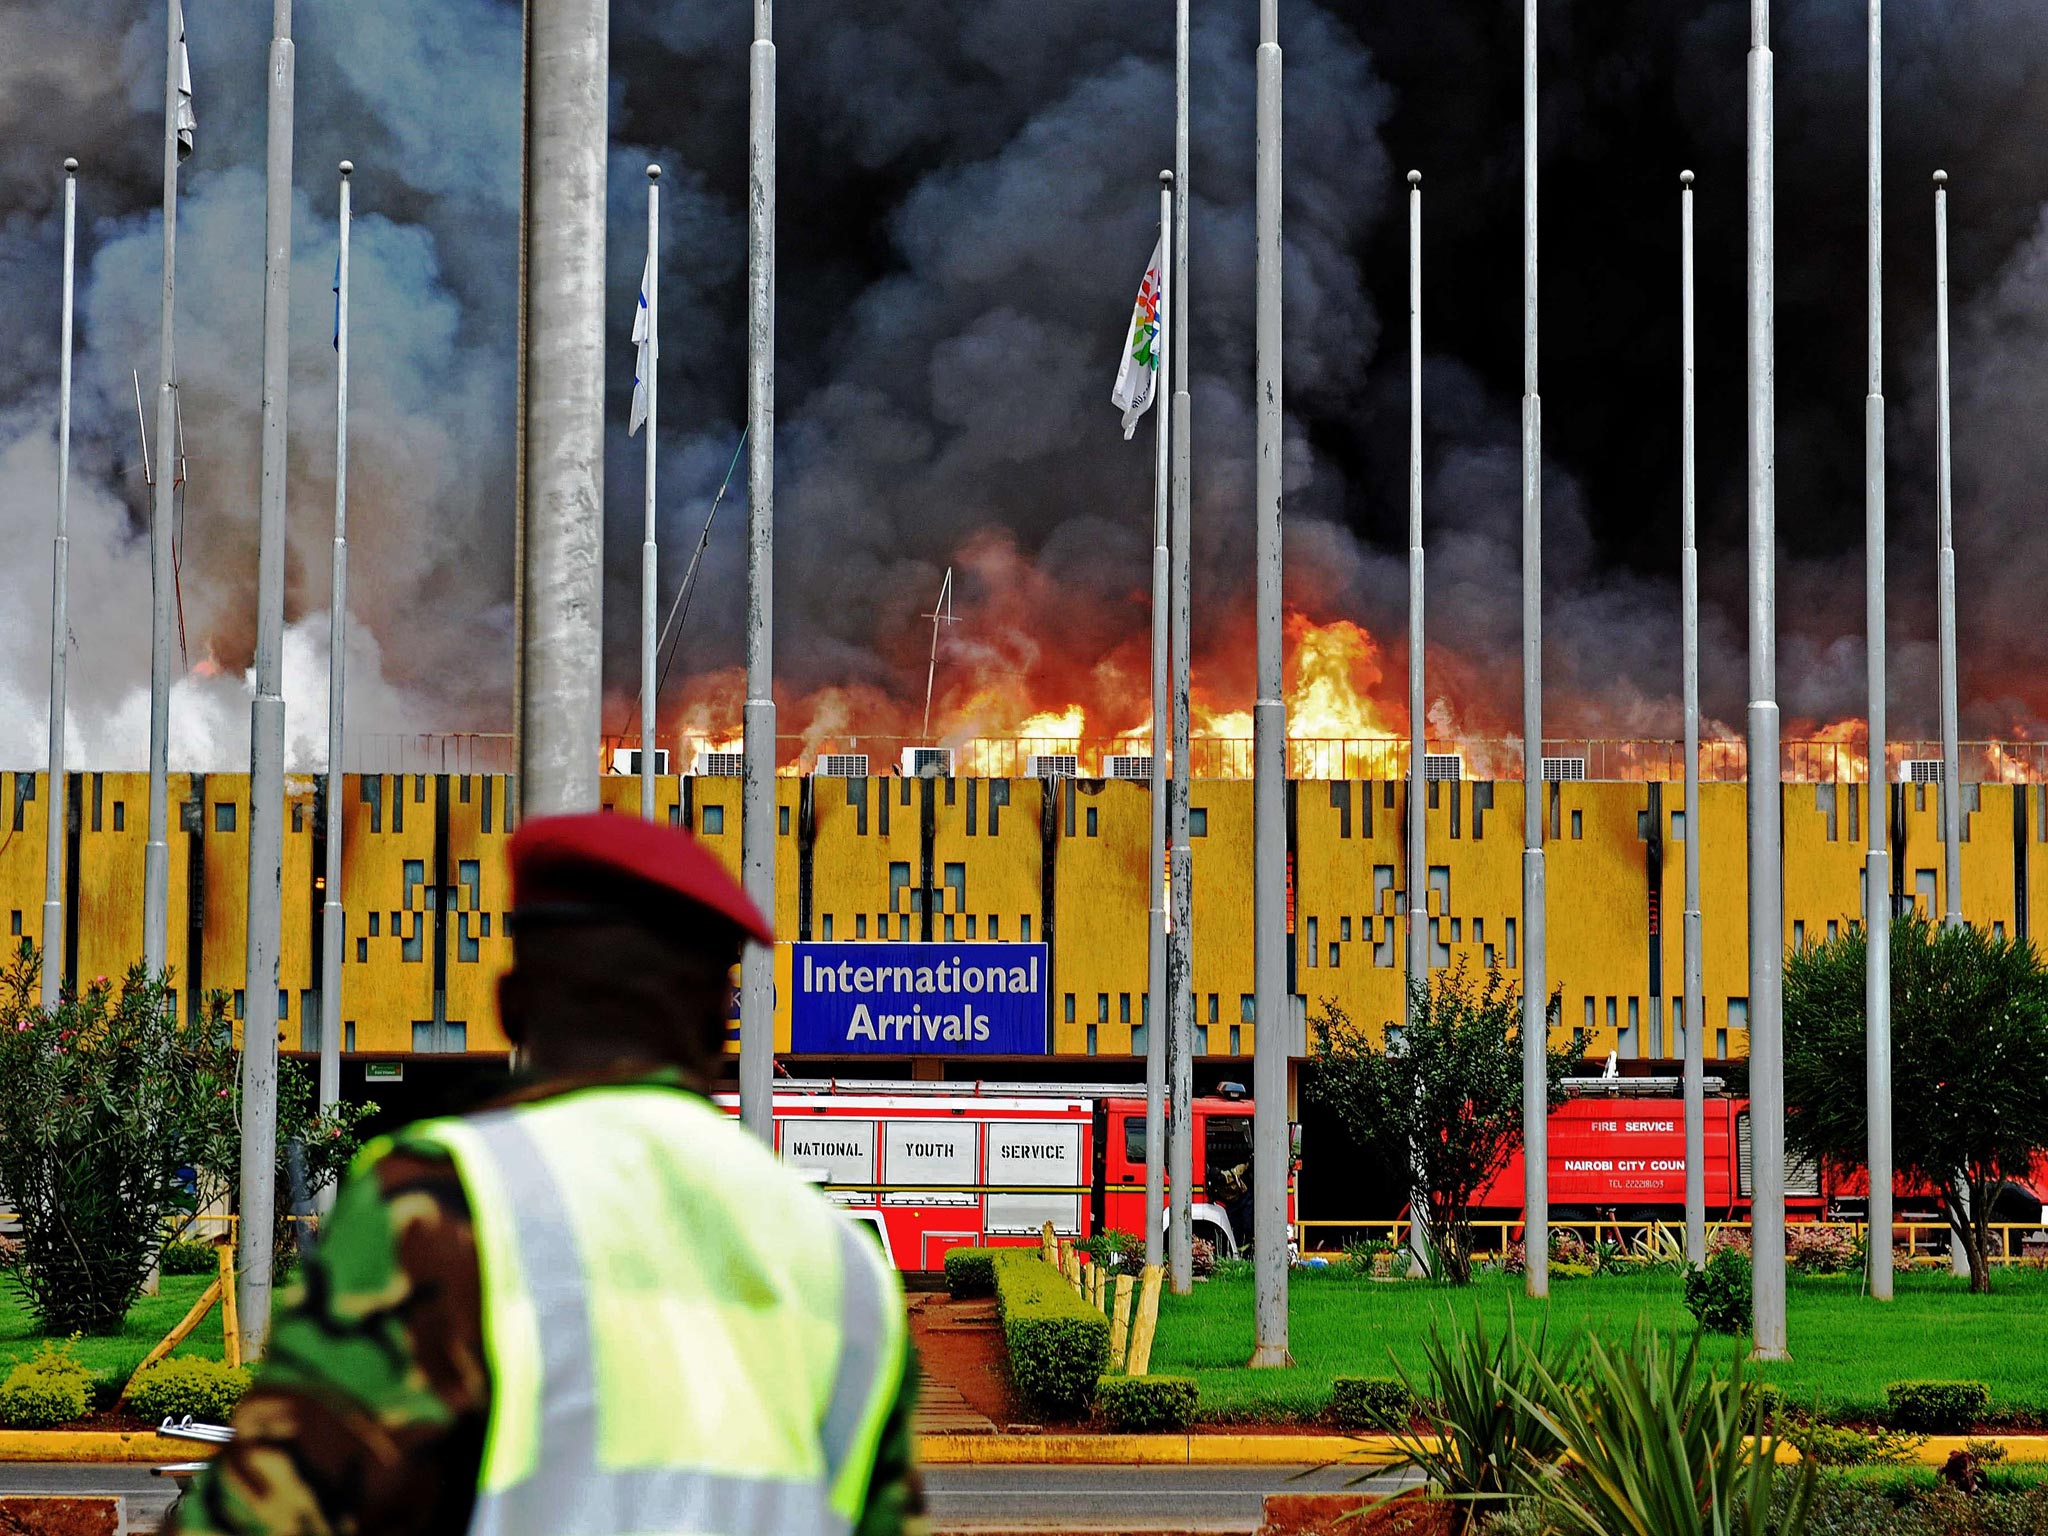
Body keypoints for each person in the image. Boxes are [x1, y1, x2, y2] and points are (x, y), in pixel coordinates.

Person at [173, 812, 925, 1536]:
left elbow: (274, 1509)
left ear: (510, 1008)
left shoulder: (445, 1201)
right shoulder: (847, 1264)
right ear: (718, 1016)